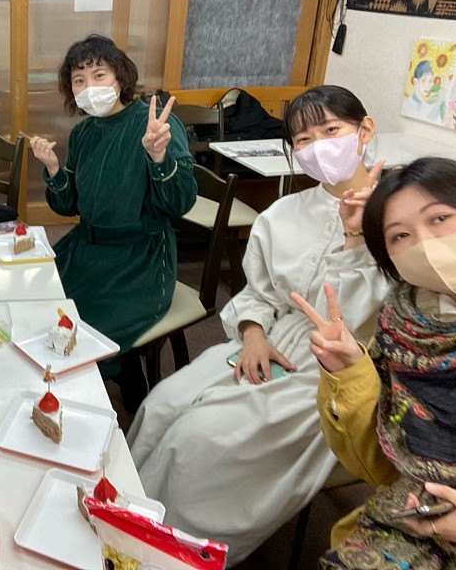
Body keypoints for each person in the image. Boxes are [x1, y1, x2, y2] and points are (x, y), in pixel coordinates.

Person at [126, 85, 391, 563]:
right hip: (271, 336)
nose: (318, 147)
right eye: (304, 139)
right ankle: (128, 522)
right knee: (161, 405)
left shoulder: (398, 218)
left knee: (200, 439)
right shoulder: (284, 213)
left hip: (342, 367)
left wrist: (357, 237)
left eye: (331, 130)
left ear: (365, 130)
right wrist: (252, 334)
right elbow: (260, 291)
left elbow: (365, 315)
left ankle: (177, 551)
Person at [295, 157, 456, 570]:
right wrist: (349, 374)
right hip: (418, 521)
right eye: (400, 236)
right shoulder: (405, 326)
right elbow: (380, 467)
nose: (424, 244)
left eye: (440, 218)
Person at [28, 34, 196, 409]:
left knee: (80, 334)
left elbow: (180, 202)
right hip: (86, 248)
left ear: (120, 77)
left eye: (99, 75)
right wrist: (53, 169)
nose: (89, 87)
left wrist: (159, 157)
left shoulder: (154, 125)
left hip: (140, 259)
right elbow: (68, 205)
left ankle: (120, 374)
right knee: (39, 311)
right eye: (79, 80)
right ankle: (123, 368)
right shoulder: (83, 133)